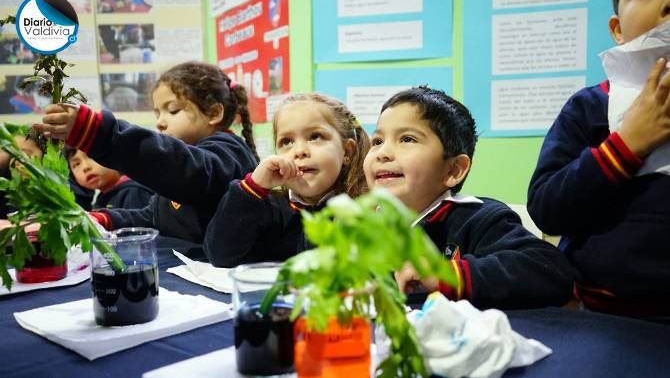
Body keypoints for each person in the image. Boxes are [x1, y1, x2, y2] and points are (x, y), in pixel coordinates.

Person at [527, 0, 670, 318]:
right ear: (618, 30)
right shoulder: (589, 108)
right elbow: (546, 207)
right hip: (596, 316)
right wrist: (625, 145)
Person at [366, 87, 575, 309]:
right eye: (377, 141)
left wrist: (447, 275)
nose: (382, 153)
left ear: (453, 170)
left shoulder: (478, 219)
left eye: (407, 139)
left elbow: (550, 271)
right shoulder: (362, 228)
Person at [34, 61, 259, 243]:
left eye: (172, 110)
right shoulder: (179, 170)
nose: (160, 123)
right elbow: (152, 217)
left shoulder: (228, 152)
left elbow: (188, 170)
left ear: (213, 112)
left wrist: (100, 133)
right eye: (157, 113)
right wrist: (103, 219)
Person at [203, 93, 370, 267]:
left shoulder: (364, 208)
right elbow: (221, 256)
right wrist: (252, 187)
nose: (299, 151)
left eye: (315, 137)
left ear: (347, 152)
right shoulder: (266, 206)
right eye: (287, 142)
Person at [64, 147, 153, 211]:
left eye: (91, 156)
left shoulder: (133, 192)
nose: (85, 167)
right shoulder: (102, 198)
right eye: (76, 164)